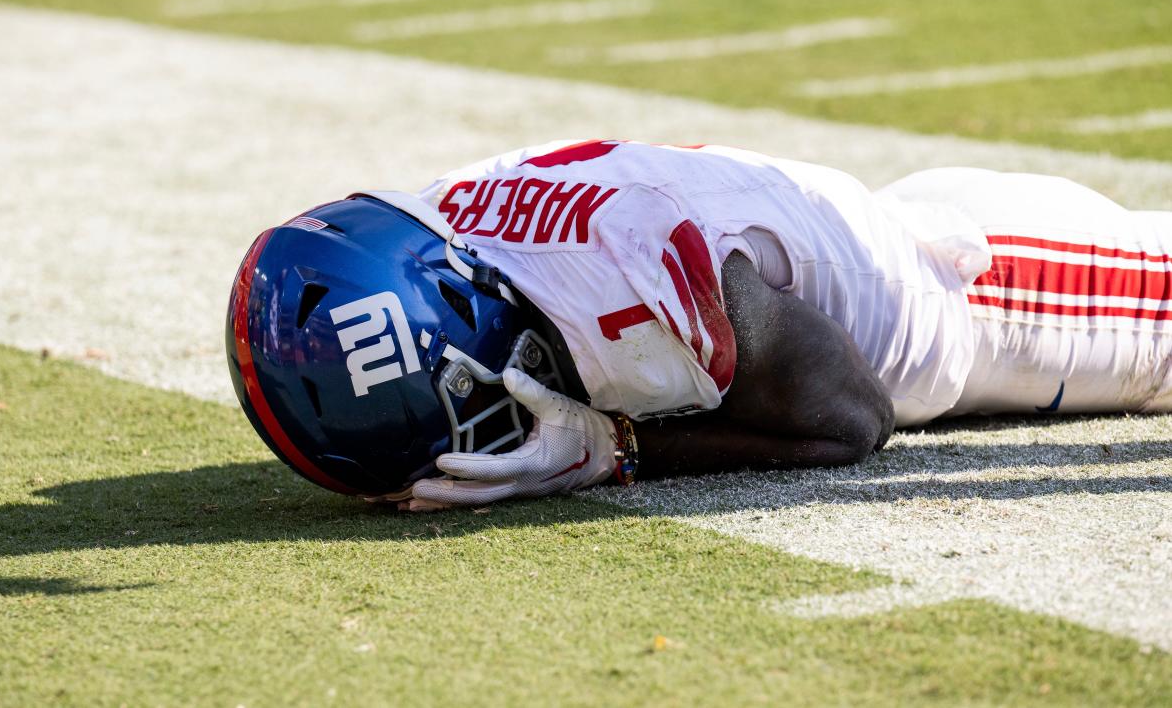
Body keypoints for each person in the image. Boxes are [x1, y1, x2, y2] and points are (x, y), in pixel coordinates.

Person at [226, 139, 1171, 511]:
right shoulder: (436, 229)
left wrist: (619, 449)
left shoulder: (627, 282)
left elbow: (850, 416)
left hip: (994, 295)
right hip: (867, 230)